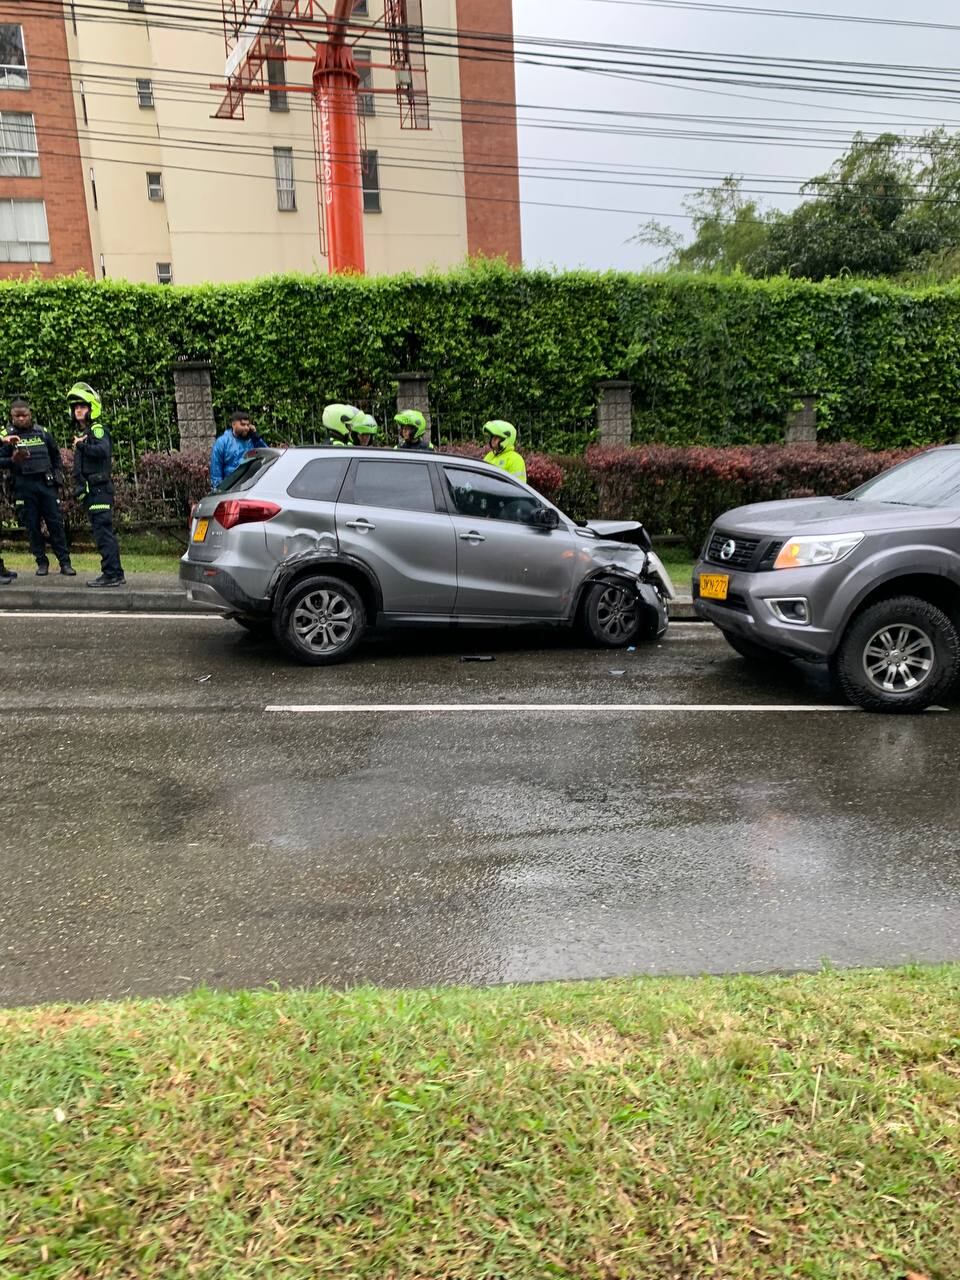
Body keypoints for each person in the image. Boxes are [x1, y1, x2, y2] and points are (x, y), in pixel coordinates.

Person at [0, 399, 75, 577]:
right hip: (23, 485)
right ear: (11, 417)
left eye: (24, 415)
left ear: (30, 414)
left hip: (45, 484)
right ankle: (42, 562)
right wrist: (12, 460)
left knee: (55, 524)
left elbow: (55, 455)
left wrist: (57, 477)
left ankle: (65, 563)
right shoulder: (6, 437)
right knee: (32, 526)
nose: (21, 419)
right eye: (16, 416)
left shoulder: (42, 432)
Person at [68, 381, 126, 588]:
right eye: (76, 407)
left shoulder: (97, 429)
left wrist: (82, 445)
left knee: (103, 533)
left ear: (92, 409)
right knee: (102, 532)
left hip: (99, 490)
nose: (78, 410)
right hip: (92, 491)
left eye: (82, 407)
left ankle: (111, 574)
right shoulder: (87, 432)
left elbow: (103, 451)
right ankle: (115, 573)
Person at [209, 411, 267, 489]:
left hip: (250, 486)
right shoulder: (222, 442)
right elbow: (216, 470)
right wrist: (218, 490)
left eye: (247, 425)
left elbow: (266, 454)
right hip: (230, 488)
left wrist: (255, 437)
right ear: (233, 424)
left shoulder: (252, 440)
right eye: (242, 425)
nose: (246, 428)